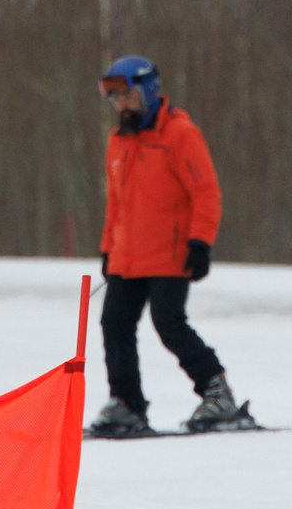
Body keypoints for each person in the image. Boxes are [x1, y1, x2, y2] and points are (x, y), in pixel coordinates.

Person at [88, 55, 247, 437]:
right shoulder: (117, 142)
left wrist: (201, 242)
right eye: (115, 99)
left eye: (127, 96)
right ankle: (126, 403)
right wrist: (108, 248)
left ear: (148, 91)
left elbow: (206, 192)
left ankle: (217, 392)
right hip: (127, 257)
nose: (121, 105)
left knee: (168, 322)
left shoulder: (179, 134)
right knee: (114, 323)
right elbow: (116, 204)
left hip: (171, 255)